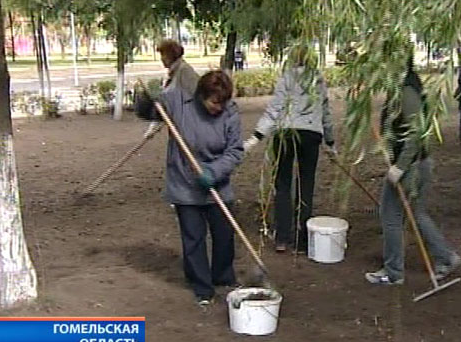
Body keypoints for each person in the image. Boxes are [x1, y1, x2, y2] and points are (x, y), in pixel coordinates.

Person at [135, 71, 243, 305]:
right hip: (185, 183)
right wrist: (145, 99)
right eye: (214, 102)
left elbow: (235, 151)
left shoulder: (230, 111)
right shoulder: (177, 102)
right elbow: (147, 112)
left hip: (218, 183)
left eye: (223, 102)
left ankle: (223, 276)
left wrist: (213, 172)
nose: (219, 108)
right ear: (201, 96)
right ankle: (202, 287)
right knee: (193, 237)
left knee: (224, 235)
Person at [365, 56, 461, 286]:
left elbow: (416, 133)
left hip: (412, 166)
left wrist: (400, 166)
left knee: (391, 213)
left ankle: (394, 272)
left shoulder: (407, 91)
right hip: (418, 164)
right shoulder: (403, 86)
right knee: (417, 214)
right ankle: (446, 257)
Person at [243, 45, 335, 253]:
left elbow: (275, 108)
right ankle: (302, 240)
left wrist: (256, 137)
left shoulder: (287, 77)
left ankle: (282, 237)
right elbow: (325, 110)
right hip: (312, 134)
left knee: (282, 184)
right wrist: (330, 142)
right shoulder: (318, 78)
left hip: (285, 132)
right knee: (306, 183)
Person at [143, 39, 199, 138]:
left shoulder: (184, 71)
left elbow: (195, 97)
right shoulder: (174, 73)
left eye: (163, 55)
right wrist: (153, 128)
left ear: (171, 55)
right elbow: (166, 105)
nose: (162, 59)